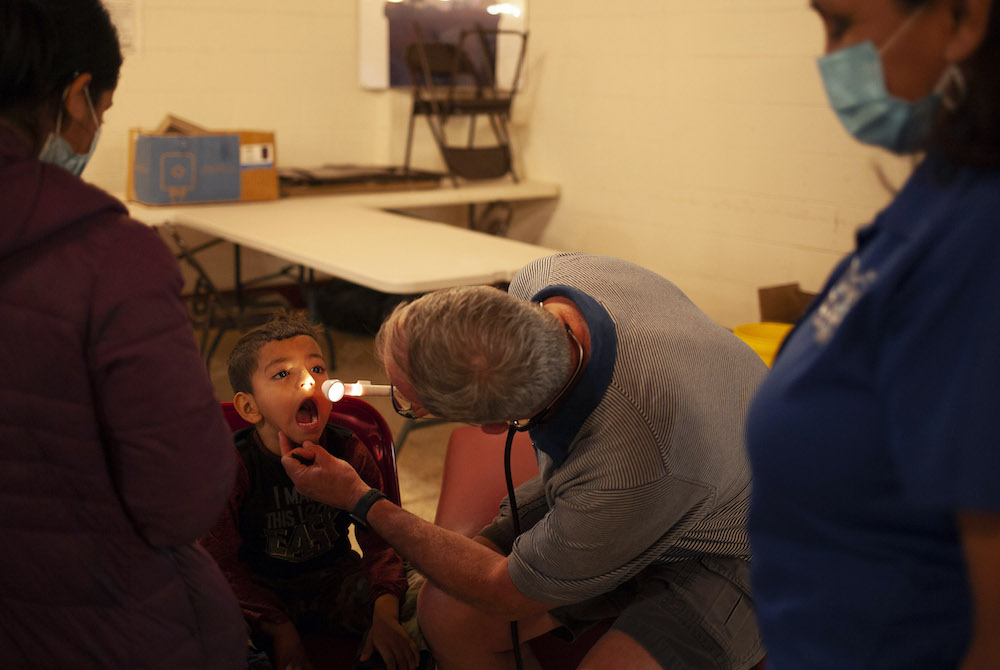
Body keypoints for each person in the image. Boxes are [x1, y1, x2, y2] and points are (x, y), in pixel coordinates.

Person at [279, 253, 768, 670]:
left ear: (496, 425)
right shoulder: (557, 275)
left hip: (745, 540)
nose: (398, 405)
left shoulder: (630, 463)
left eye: (410, 407)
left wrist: (361, 500)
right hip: (671, 474)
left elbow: (503, 591)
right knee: (447, 611)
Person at [745, 1, 1000, 668]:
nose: (829, 59)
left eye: (842, 24)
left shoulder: (982, 239)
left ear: (964, 20)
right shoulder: (942, 192)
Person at [0, 1, 245, 668]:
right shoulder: (107, 259)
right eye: (103, 113)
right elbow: (182, 500)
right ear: (78, 95)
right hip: (96, 627)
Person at [201, 316, 419, 670]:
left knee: (432, 592)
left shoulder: (348, 450)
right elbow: (218, 565)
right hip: (254, 596)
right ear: (249, 407)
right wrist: (280, 629)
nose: (309, 381)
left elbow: (383, 542)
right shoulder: (229, 467)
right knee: (196, 614)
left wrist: (385, 617)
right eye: (282, 374)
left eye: (317, 368)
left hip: (337, 585)